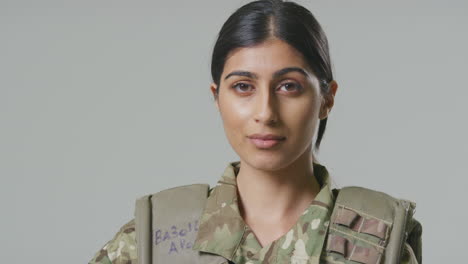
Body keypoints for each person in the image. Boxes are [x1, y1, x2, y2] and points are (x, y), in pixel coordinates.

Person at [89, 0, 422, 263]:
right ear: (217, 97)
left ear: (326, 99)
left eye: (289, 86)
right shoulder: (155, 239)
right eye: (243, 87)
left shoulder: (377, 245)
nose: (265, 112)